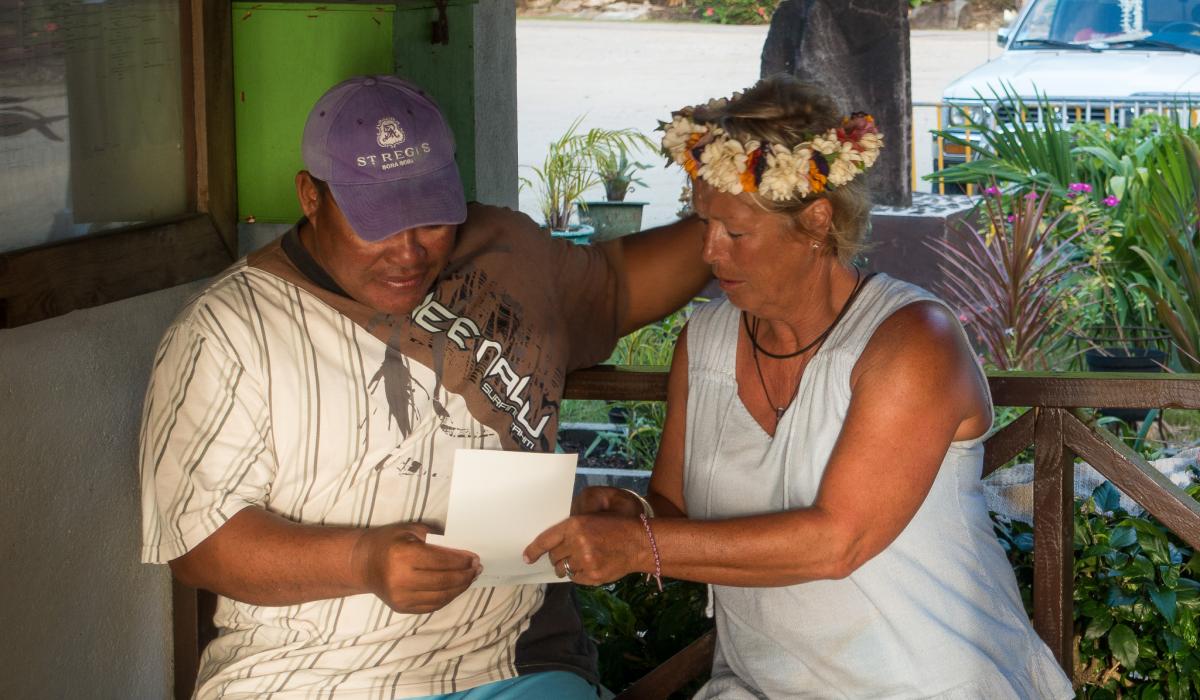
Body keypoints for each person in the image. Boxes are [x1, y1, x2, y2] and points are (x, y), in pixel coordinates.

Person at [139, 75, 708, 699]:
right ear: (311, 196)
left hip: (510, 659)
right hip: (304, 673)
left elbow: (619, 287)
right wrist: (363, 561)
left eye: (432, 220)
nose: (408, 253)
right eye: (377, 224)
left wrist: (751, 195)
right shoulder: (227, 330)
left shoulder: (506, 252)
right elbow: (199, 543)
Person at [524, 75, 1075, 698]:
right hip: (759, 685)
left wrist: (638, 544)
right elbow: (674, 508)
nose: (709, 251)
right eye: (702, 223)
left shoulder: (914, 340)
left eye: (735, 233)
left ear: (815, 222)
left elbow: (838, 542)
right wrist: (634, 517)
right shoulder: (703, 342)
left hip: (930, 682)